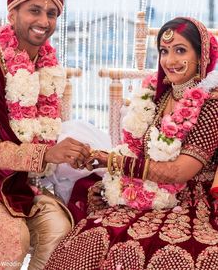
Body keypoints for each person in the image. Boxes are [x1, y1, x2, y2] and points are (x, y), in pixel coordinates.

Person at [45, 17, 218, 270]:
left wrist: (113, 162)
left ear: (201, 56)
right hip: (145, 188)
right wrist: (106, 157)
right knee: (92, 234)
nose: (170, 60)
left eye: (180, 50)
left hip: (190, 200)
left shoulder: (210, 104)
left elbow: (181, 171)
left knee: (160, 254)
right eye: (164, 51)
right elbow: (140, 151)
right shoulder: (161, 96)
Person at [0, 0, 91, 270]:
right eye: (34, 10)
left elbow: (42, 134)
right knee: (12, 236)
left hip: (18, 183)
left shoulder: (47, 68)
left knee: (59, 226)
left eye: (52, 13)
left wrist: (69, 155)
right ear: (12, 12)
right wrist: (46, 154)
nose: (44, 21)